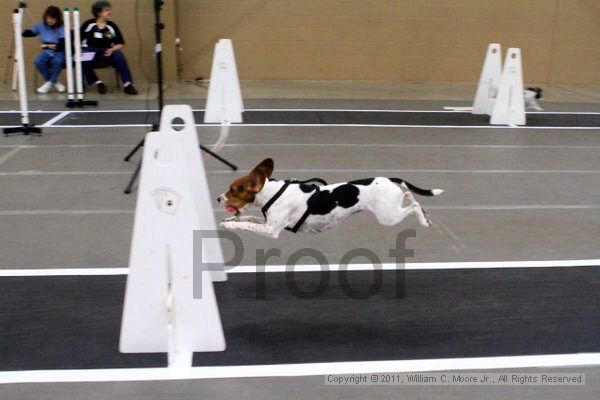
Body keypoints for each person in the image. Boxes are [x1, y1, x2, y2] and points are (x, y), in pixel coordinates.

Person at [80, 1, 137, 95]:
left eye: (110, 10)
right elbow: (77, 39)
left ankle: (127, 84)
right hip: (91, 51)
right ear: (98, 13)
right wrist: (79, 50)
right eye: (106, 10)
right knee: (83, 58)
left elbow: (121, 44)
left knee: (119, 56)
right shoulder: (88, 24)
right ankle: (99, 83)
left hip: (107, 51)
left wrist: (112, 49)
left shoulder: (112, 26)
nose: (109, 12)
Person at [22, 6, 66, 94]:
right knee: (38, 61)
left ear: (57, 19)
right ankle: (54, 82)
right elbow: (30, 33)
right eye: (49, 18)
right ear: (45, 17)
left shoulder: (61, 27)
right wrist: (19, 30)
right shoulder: (41, 26)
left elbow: (61, 44)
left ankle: (48, 83)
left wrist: (49, 46)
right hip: (47, 52)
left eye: (53, 19)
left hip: (59, 52)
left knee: (58, 61)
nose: (50, 20)